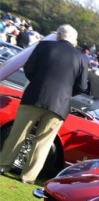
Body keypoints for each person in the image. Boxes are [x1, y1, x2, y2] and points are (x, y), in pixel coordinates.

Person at [0, 24, 88, 184]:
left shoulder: (44, 45)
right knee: (44, 141)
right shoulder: (81, 58)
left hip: (35, 96)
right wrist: (66, 93)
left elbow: (29, 69)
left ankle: (3, 165)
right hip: (60, 104)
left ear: (58, 35)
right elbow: (81, 86)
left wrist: (38, 83)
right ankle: (28, 176)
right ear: (74, 41)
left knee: (18, 133)